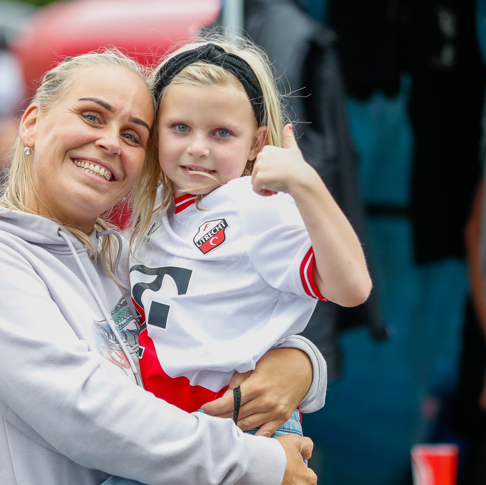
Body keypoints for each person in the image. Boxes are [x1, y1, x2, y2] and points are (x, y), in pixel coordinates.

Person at [0, 49, 324, 484]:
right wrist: (260, 464)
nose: (109, 142)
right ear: (31, 123)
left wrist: (300, 363)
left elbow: (211, 330)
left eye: (133, 136)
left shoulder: (126, 258)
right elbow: (84, 413)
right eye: (91, 116)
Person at [125, 38, 370, 445]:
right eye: (180, 127)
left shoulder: (257, 204)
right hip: (177, 424)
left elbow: (352, 287)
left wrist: (306, 185)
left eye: (222, 133)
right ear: (155, 134)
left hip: (239, 424)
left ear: (256, 143)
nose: (198, 147)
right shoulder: (155, 216)